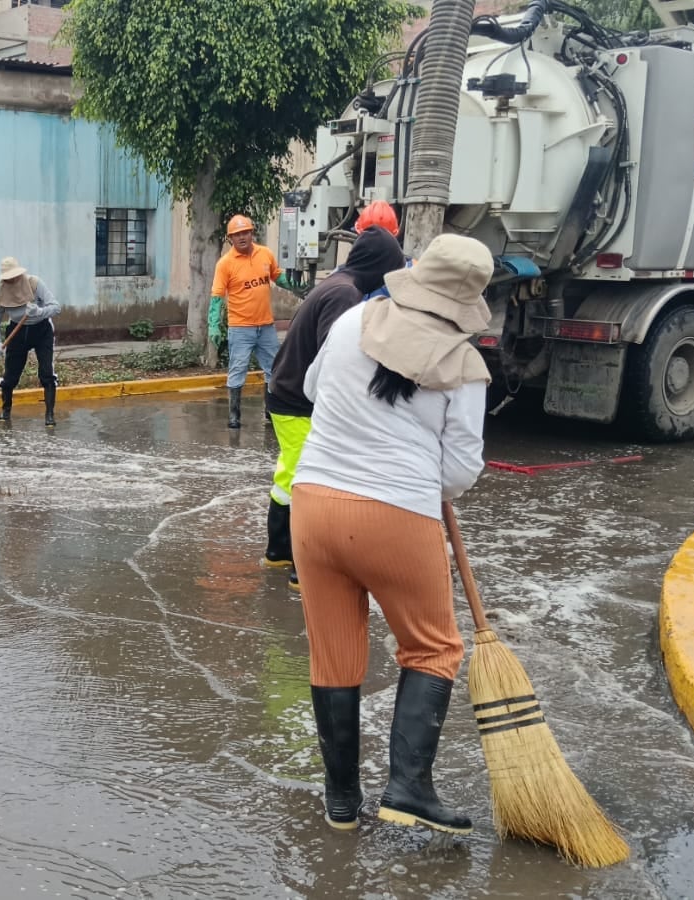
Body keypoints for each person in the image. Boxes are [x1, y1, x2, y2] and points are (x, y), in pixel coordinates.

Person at [292, 233, 492, 835]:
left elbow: (310, 390)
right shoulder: (465, 366)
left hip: (314, 505)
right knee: (433, 648)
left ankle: (342, 803)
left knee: (335, 653)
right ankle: (407, 787)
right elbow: (458, 472)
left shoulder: (353, 319)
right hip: (396, 516)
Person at [262, 227, 406, 593]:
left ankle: (279, 550)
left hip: (287, 392)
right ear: (379, 266)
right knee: (310, 481)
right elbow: (334, 358)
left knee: (290, 473)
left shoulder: (338, 284)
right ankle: (301, 567)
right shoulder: (346, 294)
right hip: (299, 399)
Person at [210, 215, 295, 428]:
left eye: (245, 232)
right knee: (238, 370)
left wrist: (297, 286)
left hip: (266, 326)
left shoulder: (265, 254)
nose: (242, 237)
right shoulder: (225, 264)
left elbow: (277, 276)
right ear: (230, 239)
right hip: (240, 328)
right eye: (237, 234)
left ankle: (270, 410)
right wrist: (213, 324)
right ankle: (234, 415)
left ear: (252, 233)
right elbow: (217, 296)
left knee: (274, 369)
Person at [0, 256, 62, 426]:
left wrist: (39, 312)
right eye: (8, 278)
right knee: (10, 376)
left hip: (41, 330)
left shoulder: (34, 284)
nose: (12, 280)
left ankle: (49, 415)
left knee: (46, 373)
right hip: (17, 333)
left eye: (14, 276)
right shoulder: (1, 294)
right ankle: (5, 411)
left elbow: (56, 307)